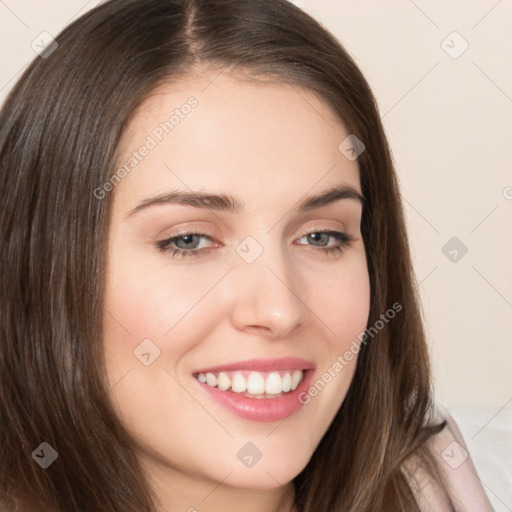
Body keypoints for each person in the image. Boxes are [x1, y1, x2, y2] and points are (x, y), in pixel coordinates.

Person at [0, 0, 493, 511]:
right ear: (41, 266)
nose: (279, 311)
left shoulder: (433, 482)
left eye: (322, 236)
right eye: (188, 240)